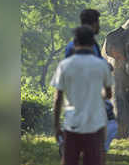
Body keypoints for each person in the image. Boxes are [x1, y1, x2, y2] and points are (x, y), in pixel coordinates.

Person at [51, 26, 114, 165]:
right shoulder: (101, 65)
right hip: (95, 125)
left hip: (72, 125)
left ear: (75, 43)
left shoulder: (64, 65)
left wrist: (56, 127)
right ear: (92, 44)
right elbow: (109, 94)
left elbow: (58, 99)